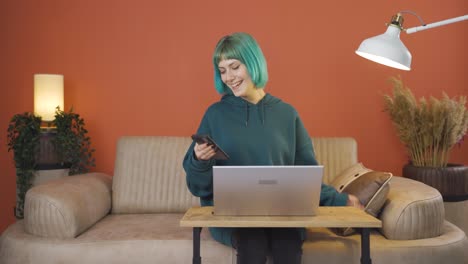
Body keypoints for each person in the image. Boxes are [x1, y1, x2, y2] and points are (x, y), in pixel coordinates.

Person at [183, 32, 363, 264]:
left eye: (234, 67)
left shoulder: (287, 114)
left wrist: (340, 200)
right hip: (234, 216)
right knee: (252, 243)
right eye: (222, 70)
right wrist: (200, 160)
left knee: (287, 245)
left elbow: (305, 176)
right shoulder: (215, 114)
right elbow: (198, 187)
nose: (228, 77)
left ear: (253, 62)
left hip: (283, 213)